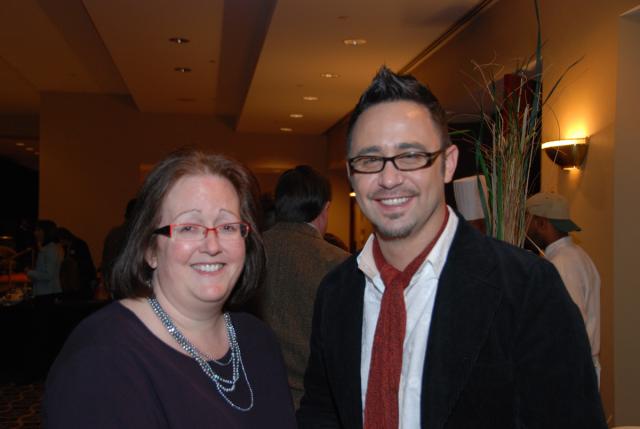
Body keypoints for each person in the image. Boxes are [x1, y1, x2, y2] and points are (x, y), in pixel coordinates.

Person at [297, 66, 605, 428]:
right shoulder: (336, 292)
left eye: (411, 155)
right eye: (369, 160)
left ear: (448, 163)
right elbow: (321, 413)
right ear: (352, 174)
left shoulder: (526, 288)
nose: (389, 178)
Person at [43, 149, 296, 428]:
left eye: (227, 227)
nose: (212, 245)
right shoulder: (102, 359)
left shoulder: (258, 339)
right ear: (150, 249)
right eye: (188, 228)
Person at [260, 165, 350, 408]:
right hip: (315, 403)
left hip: (257, 395)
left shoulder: (251, 252)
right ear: (325, 208)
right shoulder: (337, 263)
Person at [526, 191, 601, 383]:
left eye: (528, 220)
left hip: (569, 369)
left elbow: (570, 326)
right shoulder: (579, 255)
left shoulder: (561, 264)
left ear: (541, 223)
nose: (525, 228)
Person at [26, 219, 63, 297]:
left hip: (48, 293)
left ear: (46, 232)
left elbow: (48, 275)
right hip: (44, 292)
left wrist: (30, 272)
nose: (35, 233)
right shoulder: (48, 248)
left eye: (38, 230)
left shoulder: (51, 249)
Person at [57, 227, 97, 297]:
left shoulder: (79, 244)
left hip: (82, 278)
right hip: (72, 280)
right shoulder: (66, 247)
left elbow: (87, 263)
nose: (60, 243)